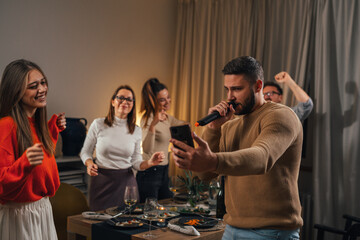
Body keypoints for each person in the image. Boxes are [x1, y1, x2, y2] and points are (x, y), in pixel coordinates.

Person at [170, 56, 303, 240]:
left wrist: (213, 160)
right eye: (228, 89)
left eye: (237, 89)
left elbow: (261, 157)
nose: (230, 97)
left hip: (272, 232)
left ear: (257, 86)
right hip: (232, 228)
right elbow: (205, 175)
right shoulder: (230, 126)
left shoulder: (280, 116)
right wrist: (214, 129)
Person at [0, 59, 66, 240]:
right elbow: (2, 183)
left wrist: (52, 131)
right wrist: (24, 164)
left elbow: (43, 165)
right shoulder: (6, 126)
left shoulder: (37, 125)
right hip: (20, 215)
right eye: (33, 86)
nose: (42, 89)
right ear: (16, 91)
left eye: (43, 83)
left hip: (43, 209)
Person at [80, 85, 164, 211]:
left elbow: (136, 162)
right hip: (101, 182)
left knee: (126, 224)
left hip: (126, 185)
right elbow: (85, 152)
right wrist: (89, 163)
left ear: (133, 105)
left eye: (129, 99)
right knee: (98, 225)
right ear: (113, 101)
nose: (125, 102)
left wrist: (150, 162)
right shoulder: (98, 124)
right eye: (121, 98)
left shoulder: (136, 130)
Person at [136, 78, 184, 203]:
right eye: (162, 100)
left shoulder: (167, 117)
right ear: (154, 101)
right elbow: (147, 149)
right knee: (150, 214)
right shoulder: (147, 118)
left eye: (168, 97)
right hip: (149, 174)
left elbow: (184, 124)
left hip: (164, 172)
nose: (167, 102)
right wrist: (153, 124)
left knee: (167, 207)